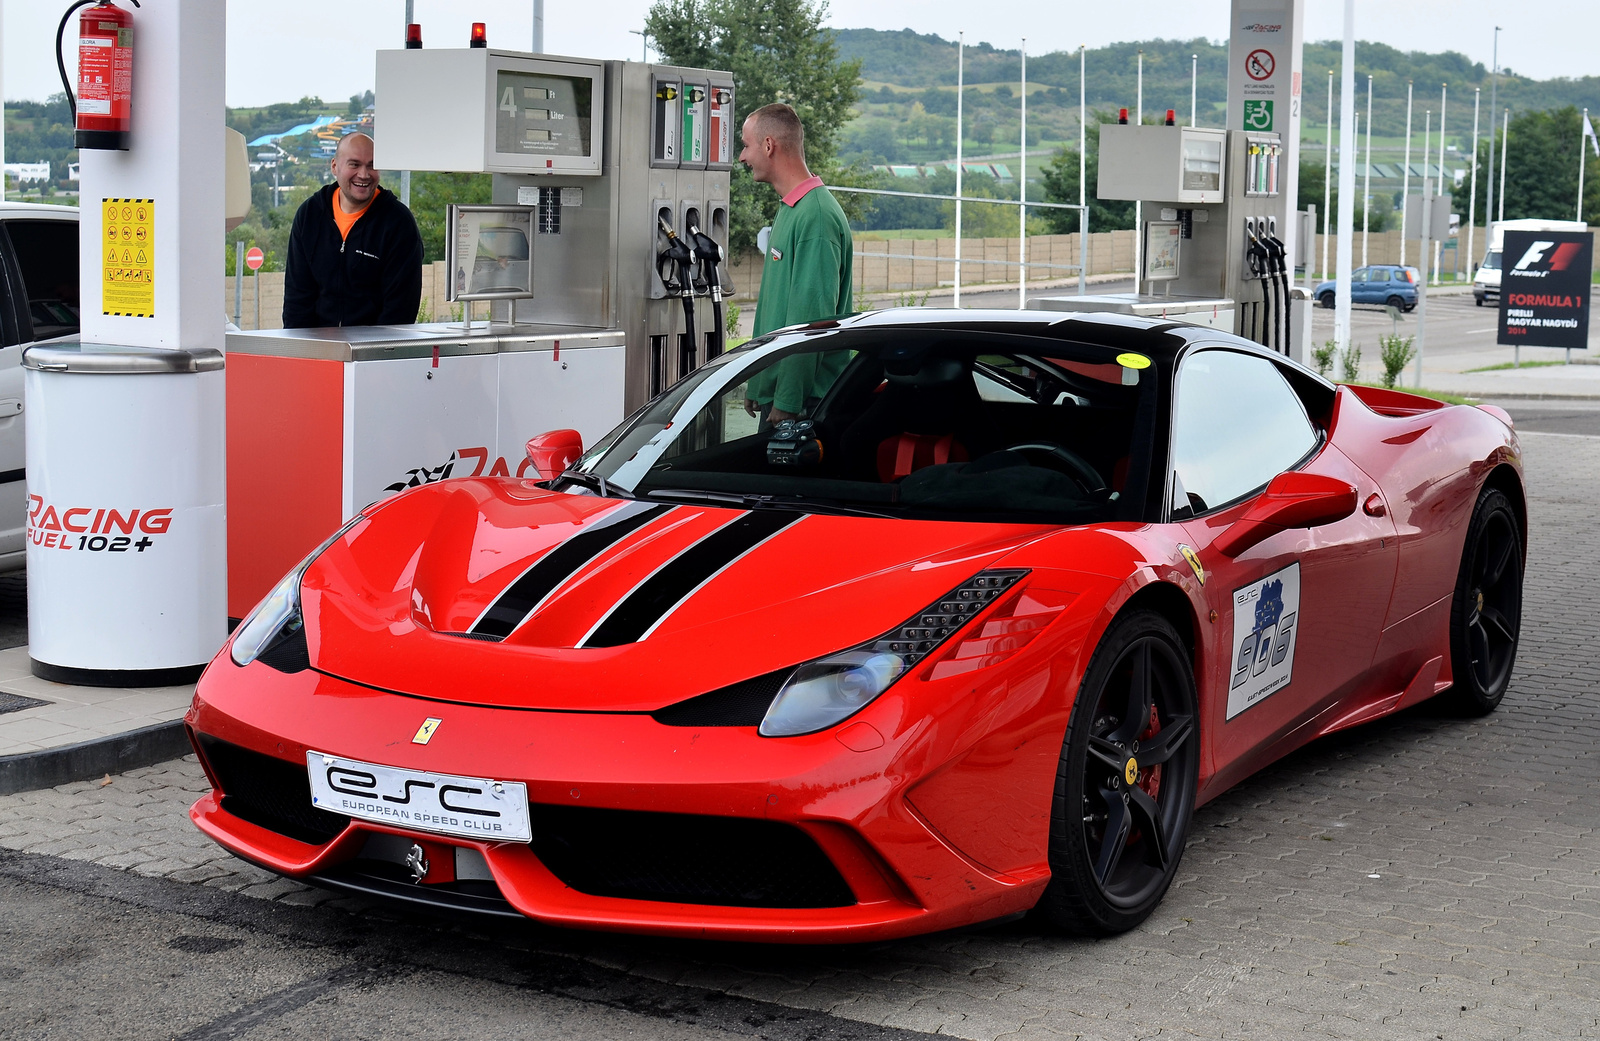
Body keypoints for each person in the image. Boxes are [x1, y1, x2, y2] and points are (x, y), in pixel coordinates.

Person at [739, 103, 854, 424]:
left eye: (746, 146)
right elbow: (776, 310)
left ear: (768, 145)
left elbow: (812, 321)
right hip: (781, 397)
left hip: (804, 404)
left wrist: (788, 401)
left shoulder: (815, 217)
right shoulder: (792, 208)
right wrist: (758, 381)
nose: (742, 157)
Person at [282, 132, 424, 328]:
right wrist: (302, 350)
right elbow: (296, 298)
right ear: (334, 166)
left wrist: (371, 353)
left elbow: (400, 310)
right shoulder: (310, 215)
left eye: (372, 165)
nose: (364, 175)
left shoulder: (398, 223)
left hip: (373, 352)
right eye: (354, 164)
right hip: (317, 349)